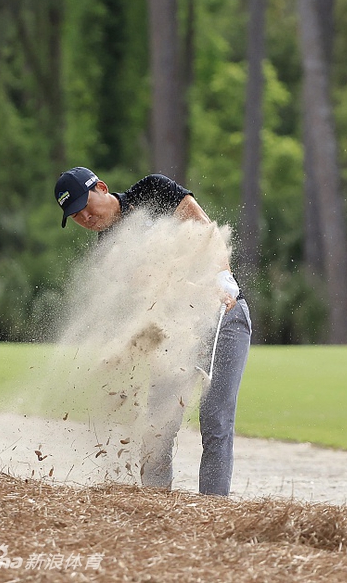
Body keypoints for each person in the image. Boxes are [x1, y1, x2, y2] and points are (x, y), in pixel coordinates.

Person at [54, 166, 252, 496]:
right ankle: (155, 510)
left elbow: (203, 229)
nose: (85, 216)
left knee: (216, 420)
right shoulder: (110, 253)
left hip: (224, 318)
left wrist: (217, 279)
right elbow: (158, 287)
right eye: (75, 215)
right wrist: (199, 290)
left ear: (101, 188)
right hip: (176, 332)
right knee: (158, 429)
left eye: (86, 205)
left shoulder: (152, 190)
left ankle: (214, 514)